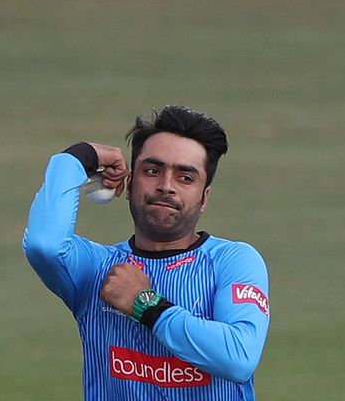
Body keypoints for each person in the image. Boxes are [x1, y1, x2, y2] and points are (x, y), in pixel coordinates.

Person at [22, 105, 270, 400]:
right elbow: (44, 244)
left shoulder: (232, 261)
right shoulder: (97, 270)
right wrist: (77, 157)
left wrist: (147, 306)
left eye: (185, 178)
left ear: (204, 198)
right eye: (152, 171)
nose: (166, 186)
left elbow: (239, 357)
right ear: (129, 185)